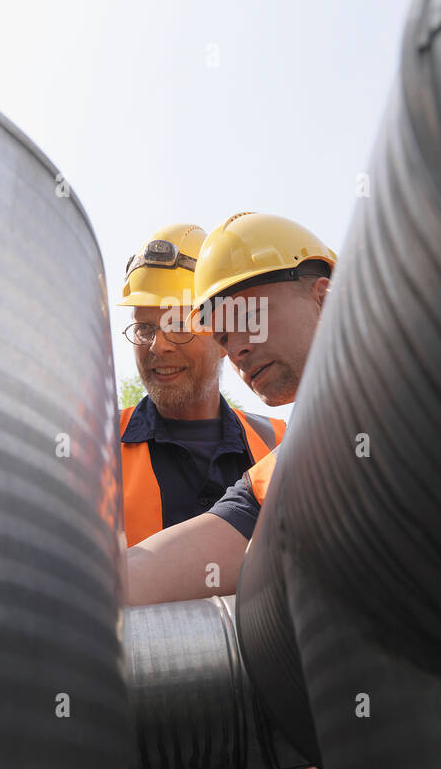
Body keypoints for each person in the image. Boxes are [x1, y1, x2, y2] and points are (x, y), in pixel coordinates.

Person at [126, 213, 335, 605]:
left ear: (323, 298)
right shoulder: (290, 461)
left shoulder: (427, 367)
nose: (237, 348)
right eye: (224, 335)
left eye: (251, 318)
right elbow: (219, 537)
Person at [117, 223, 284, 550]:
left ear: (224, 337)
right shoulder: (95, 448)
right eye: (143, 328)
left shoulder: (282, 442)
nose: (157, 346)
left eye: (178, 325)